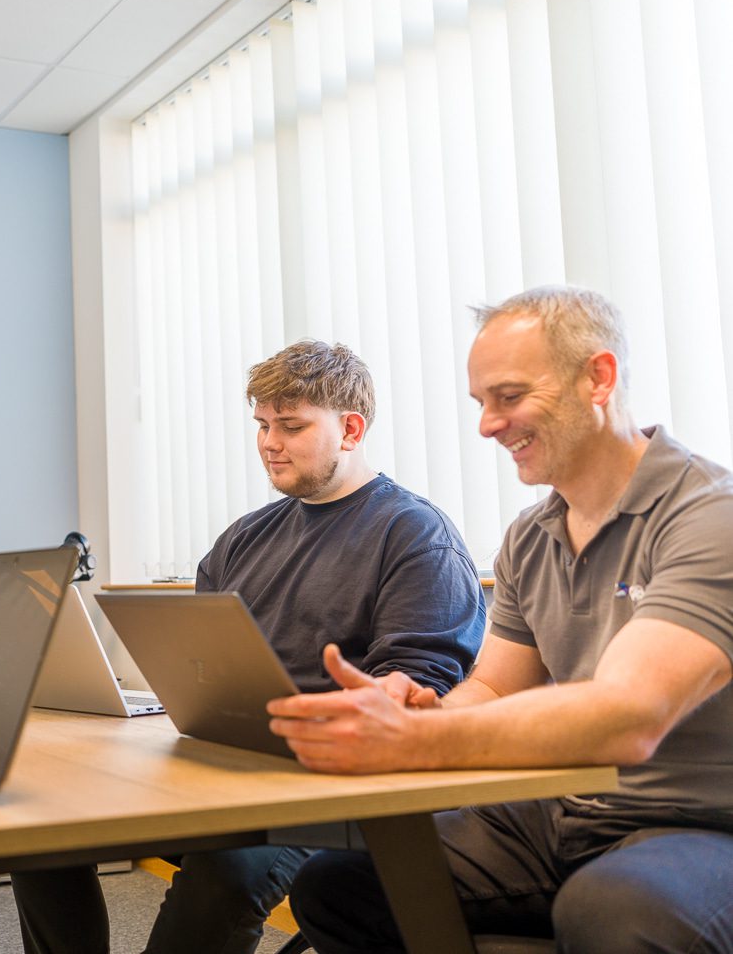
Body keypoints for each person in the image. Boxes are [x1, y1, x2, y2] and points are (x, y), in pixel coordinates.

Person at [276, 287, 733, 953]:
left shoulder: (709, 517)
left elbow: (630, 715)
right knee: (339, 887)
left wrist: (413, 742)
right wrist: (423, 712)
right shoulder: (530, 536)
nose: (488, 425)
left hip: (699, 823)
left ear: (597, 378)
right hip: (565, 813)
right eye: (481, 403)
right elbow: (491, 688)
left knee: (613, 910)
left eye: (510, 396)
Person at [11, 340, 486, 954]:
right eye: (262, 425)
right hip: (222, 757)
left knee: (230, 869)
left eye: (290, 426)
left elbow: (423, 682)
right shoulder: (246, 536)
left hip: (324, 777)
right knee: (37, 818)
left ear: (350, 428)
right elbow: (193, 657)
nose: (269, 442)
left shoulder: (414, 533)